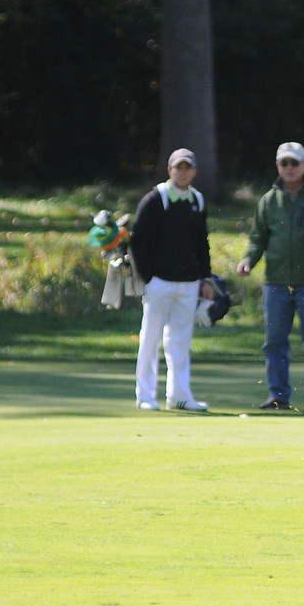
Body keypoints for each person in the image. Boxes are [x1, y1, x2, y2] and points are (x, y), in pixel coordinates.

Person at [237, 142, 304, 413]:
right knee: (274, 342)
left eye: (294, 163)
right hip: (276, 282)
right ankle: (278, 395)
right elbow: (258, 239)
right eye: (284, 163)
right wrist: (247, 260)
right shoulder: (268, 200)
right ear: (278, 166)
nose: (289, 168)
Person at [130, 148, 212, 412]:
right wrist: (148, 278)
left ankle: (179, 396)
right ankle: (145, 396)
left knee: (180, 342)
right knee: (150, 339)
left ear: (194, 172)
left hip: (188, 283)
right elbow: (138, 241)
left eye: (188, 167)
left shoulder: (197, 201)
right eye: (179, 167)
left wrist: (205, 278)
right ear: (170, 170)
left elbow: (202, 243)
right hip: (159, 283)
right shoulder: (155, 199)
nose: (183, 172)